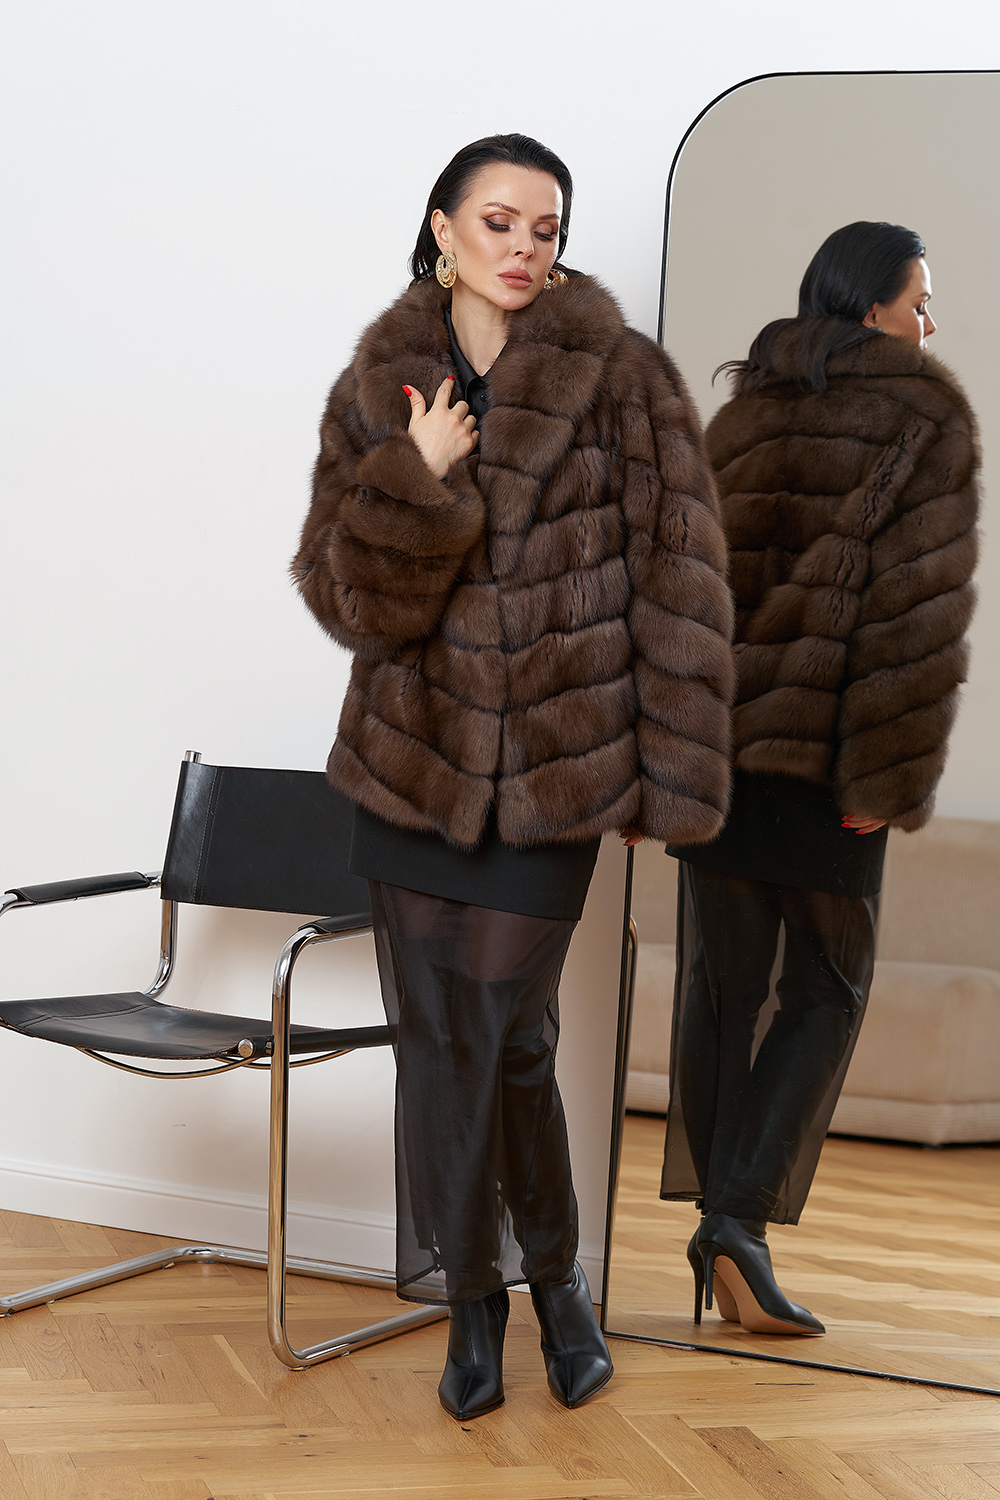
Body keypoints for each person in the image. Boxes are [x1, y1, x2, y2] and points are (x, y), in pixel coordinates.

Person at [292, 133, 734, 1418]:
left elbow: (681, 577)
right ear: (443, 228)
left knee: (498, 1031)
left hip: (557, 775)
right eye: (500, 222)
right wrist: (412, 479)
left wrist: (669, 774)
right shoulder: (380, 383)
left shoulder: (624, 378)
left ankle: (549, 1282)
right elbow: (345, 599)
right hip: (410, 771)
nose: (526, 248)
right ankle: (485, 1304)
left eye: (547, 228)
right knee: (454, 1044)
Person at [660, 221, 981, 1336]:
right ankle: (735, 1225)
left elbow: (683, 600)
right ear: (871, 306)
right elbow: (916, 622)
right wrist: (884, 776)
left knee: (724, 990)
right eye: (920, 300)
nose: (930, 322)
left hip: (720, 764)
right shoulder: (925, 415)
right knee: (826, 991)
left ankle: (721, 1228)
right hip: (831, 762)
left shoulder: (746, 412)